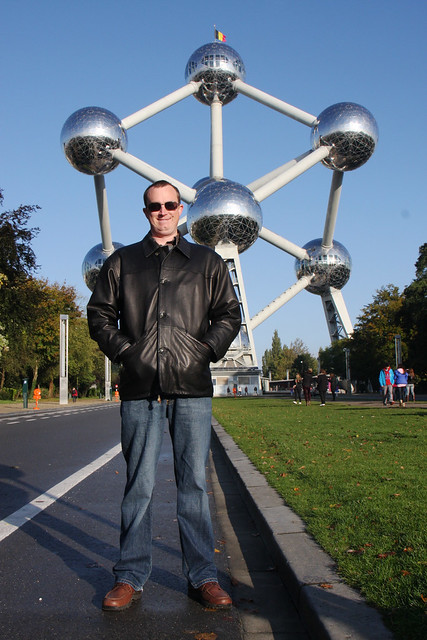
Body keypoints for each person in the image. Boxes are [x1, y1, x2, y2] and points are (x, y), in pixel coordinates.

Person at [87, 180, 241, 612]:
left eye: (169, 204)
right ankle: (130, 577)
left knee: (193, 485)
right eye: (154, 206)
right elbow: (99, 314)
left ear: (180, 210)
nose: (162, 211)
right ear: (145, 211)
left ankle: (203, 577)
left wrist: (205, 351)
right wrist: (126, 353)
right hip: (140, 389)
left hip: (191, 389)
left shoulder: (207, 262)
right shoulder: (123, 262)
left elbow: (229, 314)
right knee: (139, 485)